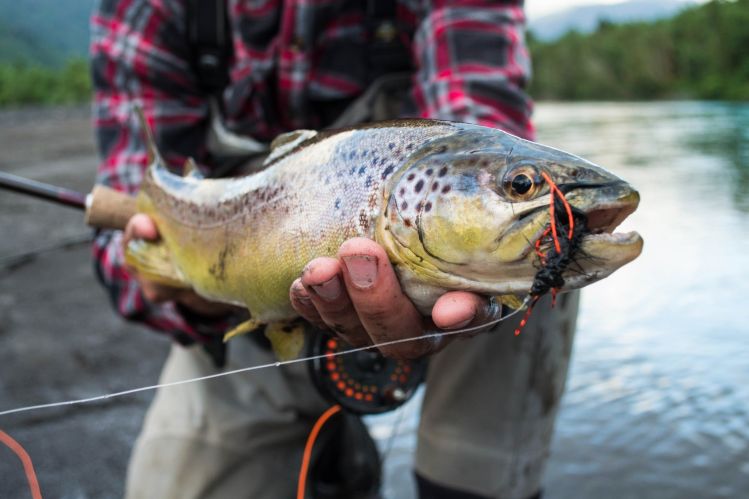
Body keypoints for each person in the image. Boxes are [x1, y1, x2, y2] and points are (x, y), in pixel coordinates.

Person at [90, 1, 579, 498]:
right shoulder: (149, 8)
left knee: (542, 252)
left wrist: (512, 189)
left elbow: (477, 119)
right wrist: (180, 287)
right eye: (521, 185)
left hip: (464, 299)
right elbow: (117, 254)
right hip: (237, 315)